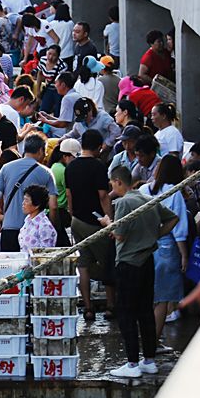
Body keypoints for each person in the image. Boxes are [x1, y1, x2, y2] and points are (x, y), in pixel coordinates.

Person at [99, 166, 178, 378]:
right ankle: (149, 360)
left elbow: (120, 235)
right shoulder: (146, 199)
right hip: (147, 261)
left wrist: (108, 223)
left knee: (126, 313)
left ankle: (132, 363)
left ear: (117, 182)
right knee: (145, 312)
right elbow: (173, 219)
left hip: (129, 262)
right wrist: (154, 235)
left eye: (112, 184)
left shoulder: (125, 202)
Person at [138, 154, 188, 354]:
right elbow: (179, 227)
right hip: (166, 248)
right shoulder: (174, 193)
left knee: (148, 297)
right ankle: (153, 343)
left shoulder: (143, 190)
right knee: (162, 299)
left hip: (143, 247)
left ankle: (147, 341)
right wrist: (184, 255)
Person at [66, 130, 116, 321]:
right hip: (96, 221)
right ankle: (111, 306)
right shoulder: (98, 166)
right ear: (98, 147)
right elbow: (103, 196)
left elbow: (69, 195)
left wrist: (72, 214)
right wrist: (109, 221)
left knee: (83, 265)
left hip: (77, 221)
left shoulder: (71, 166)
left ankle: (88, 308)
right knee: (107, 263)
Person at [0, 134, 59, 252]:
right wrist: (54, 227)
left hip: (9, 229)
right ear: (40, 150)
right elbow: (53, 206)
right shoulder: (46, 172)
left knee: (9, 268)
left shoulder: (6, 168)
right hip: (35, 231)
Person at [18, 185, 58, 251]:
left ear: (37, 205)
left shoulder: (45, 226)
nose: (23, 203)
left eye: (26, 201)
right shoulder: (28, 220)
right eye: (24, 200)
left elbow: (45, 254)